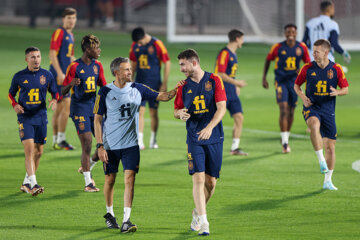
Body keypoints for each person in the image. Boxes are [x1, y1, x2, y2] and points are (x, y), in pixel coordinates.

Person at [94, 57, 180, 232]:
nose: (130, 72)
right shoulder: (104, 92)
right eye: (126, 70)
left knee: (130, 179)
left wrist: (178, 89)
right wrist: (100, 146)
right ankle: (110, 214)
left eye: (130, 69)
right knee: (110, 179)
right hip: (110, 144)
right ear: (116, 72)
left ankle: (127, 220)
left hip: (131, 145)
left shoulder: (137, 88)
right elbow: (97, 120)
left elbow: (162, 96)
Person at [174, 49, 227, 236]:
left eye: (183, 64)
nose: (181, 69)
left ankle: (197, 211)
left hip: (214, 137)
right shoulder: (182, 86)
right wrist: (179, 114)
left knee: (211, 182)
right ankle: (204, 223)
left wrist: (210, 127)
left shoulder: (214, 80)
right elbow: (176, 109)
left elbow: (222, 108)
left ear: (194, 63)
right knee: (198, 178)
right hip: (194, 137)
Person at [294, 39, 349, 190]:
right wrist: (303, 98)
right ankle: (320, 160)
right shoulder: (307, 68)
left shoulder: (336, 69)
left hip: (328, 110)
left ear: (325, 52)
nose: (313, 54)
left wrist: (337, 92)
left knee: (330, 147)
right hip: (312, 107)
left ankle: (328, 180)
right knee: (314, 125)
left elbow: (346, 89)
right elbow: (296, 85)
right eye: (313, 51)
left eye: (316, 52)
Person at [8, 47, 58, 196]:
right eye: (32, 57)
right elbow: (11, 94)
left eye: (38, 56)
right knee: (29, 150)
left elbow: (55, 91)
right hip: (25, 118)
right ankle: (34, 184)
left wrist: (55, 99)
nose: (36, 59)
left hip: (41, 117)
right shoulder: (19, 76)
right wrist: (15, 105)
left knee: (39, 152)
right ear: (26, 59)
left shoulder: (47, 75)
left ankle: (26, 183)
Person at [62, 34, 107, 192]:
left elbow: (103, 86)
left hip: (94, 108)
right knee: (87, 143)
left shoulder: (98, 66)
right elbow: (61, 90)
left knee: (106, 142)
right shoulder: (74, 67)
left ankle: (88, 166)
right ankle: (88, 183)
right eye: (96, 48)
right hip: (79, 108)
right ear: (88, 50)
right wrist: (71, 84)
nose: (99, 50)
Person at [262, 24, 311, 153]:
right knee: (283, 109)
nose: (290, 34)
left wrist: (304, 74)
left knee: (291, 112)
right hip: (281, 82)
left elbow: (308, 64)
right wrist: (264, 78)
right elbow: (268, 60)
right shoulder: (278, 47)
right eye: (288, 31)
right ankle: (284, 143)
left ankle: (286, 136)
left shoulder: (302, 47)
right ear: (285, 33)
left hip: (295, 84)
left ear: (296, 33)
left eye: (293, 31)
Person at [129, 27, 171, 150]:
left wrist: (164, 82)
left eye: (140, 42)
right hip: (140, 84)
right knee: (140, 111)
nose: (138, 45)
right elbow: (133, 63)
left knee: (153, 112)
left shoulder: (157, 44)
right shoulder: (135, 45)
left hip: (154, 85)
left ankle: (153, 139)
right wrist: (131, 80)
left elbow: (167, 62)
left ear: (144, 37)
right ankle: (140, 141)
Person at [214, 29, 248, 156]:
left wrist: (235, 85)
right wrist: (236, 83)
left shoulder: (233, 54)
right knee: (216, 120)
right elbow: (220, 74)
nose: (243, 42)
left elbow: (229, 74)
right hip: (222, 91)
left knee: (239, 117)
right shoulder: (224, 53)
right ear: (237, 38)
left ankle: (234, 148)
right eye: (242, 39)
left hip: (231, 92)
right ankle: (206, 145)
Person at [50, 7, 77, 151]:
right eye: (69, 18)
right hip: (58, 76)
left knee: (60, 108)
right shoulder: (59, 33)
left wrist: (79, 69)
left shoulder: (70, 35)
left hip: (65, 76)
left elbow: (70, 57)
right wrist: (60, 73)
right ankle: (61, 140)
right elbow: (52, 54)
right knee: (67, 106)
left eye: (73, 18)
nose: (71, 21)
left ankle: (56, 140)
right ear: (63, 19)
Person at [303, 0, 351, 65]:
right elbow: (334, 44)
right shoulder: (333, 25)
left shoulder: (310, 23)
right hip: (327, 60)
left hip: (312, 59)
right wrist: (344, 53)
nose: (334, 11)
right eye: (333, 8)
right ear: (329, 9)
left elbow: (304, 43)